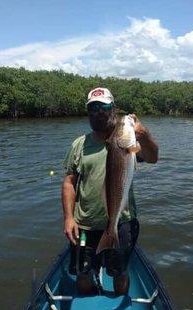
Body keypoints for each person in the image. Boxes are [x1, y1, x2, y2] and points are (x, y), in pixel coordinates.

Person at [62, 87, 158, 295]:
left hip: (121, 221)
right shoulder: (79, 145)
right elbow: (69, 182)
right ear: (88, 112)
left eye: (104, 106)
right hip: (85, 224)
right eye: (93, 107)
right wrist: (69, 218)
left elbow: (152, 158)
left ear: (112, 108)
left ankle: (118, 304)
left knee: (120, 271)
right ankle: (88, 301)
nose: (99, 112)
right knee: (83, 272)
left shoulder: (127, 143)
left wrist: (144, 135)